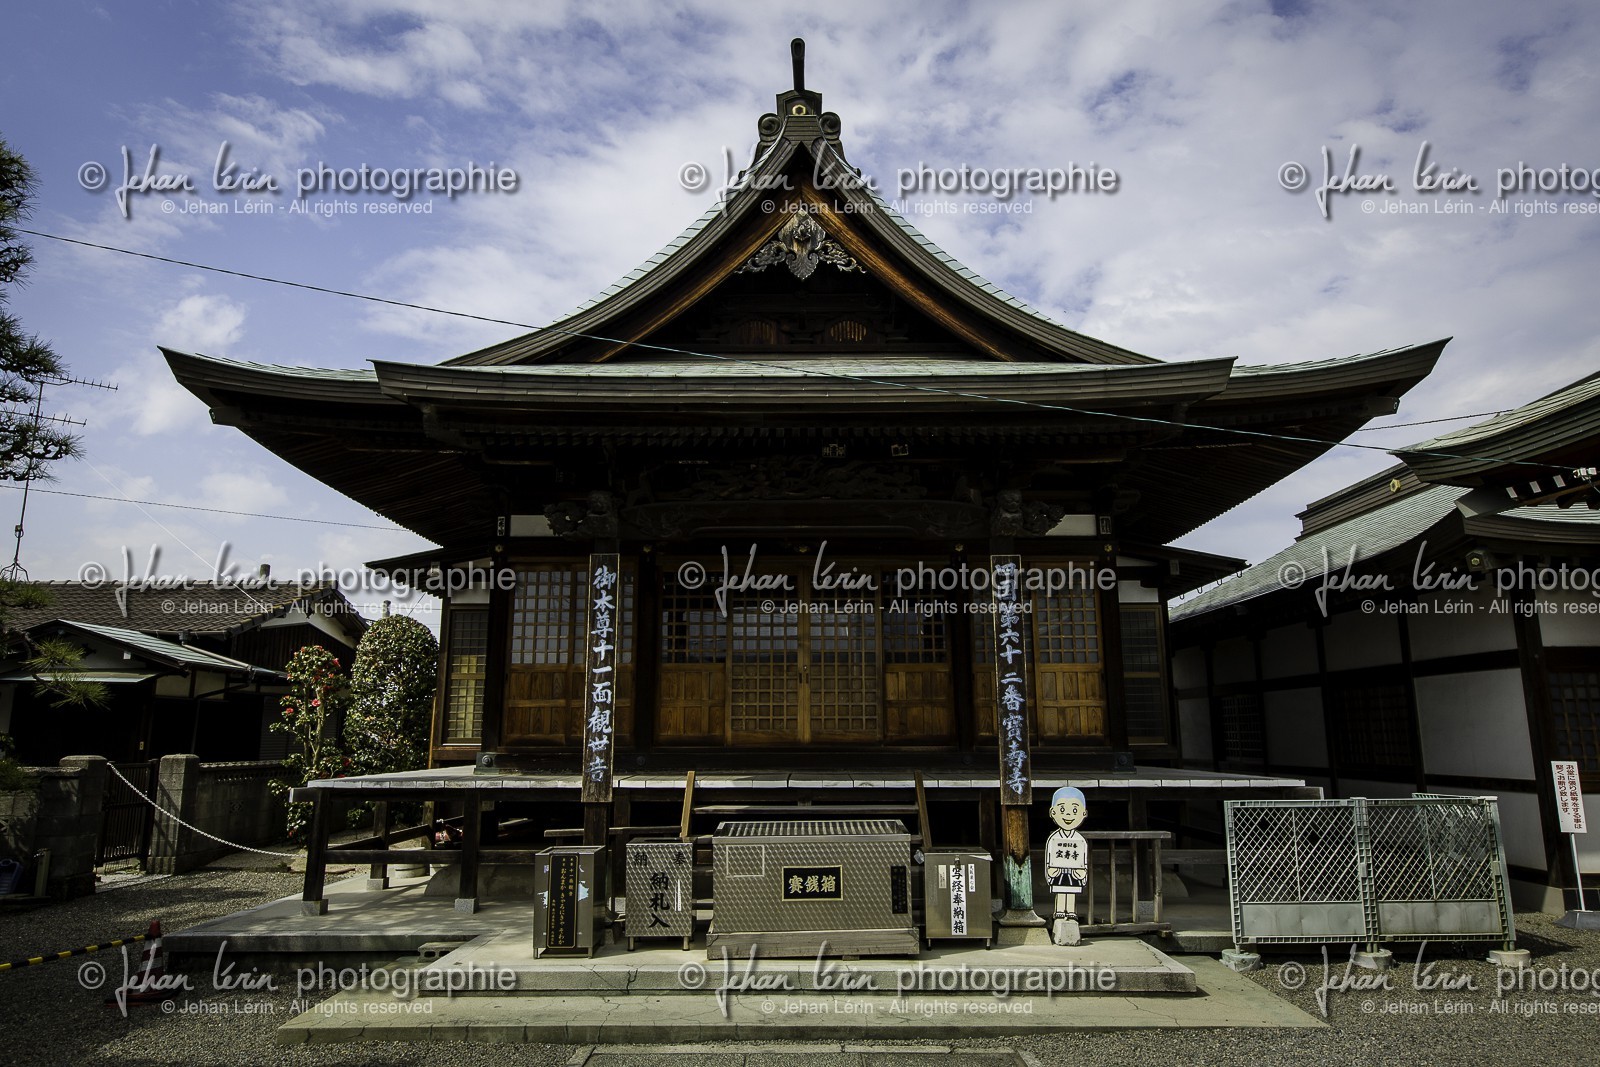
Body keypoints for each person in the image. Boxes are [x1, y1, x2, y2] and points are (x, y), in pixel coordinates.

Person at [1045, 786, 1088, 920]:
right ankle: (1059, 910)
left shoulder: (1080, 840)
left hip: (1074, 873)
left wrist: (1083, 873)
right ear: (1052, 812)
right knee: (1061, 890)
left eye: (1075, 810)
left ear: (1084, 813)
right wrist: (1050, 870)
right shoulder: (1053, 839)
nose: (1068, 814)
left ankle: (1070, 911)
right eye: (1062, 809)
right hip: (1059, 872)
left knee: (1071, 891)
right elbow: (1049, 858)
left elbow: (1083, 860)